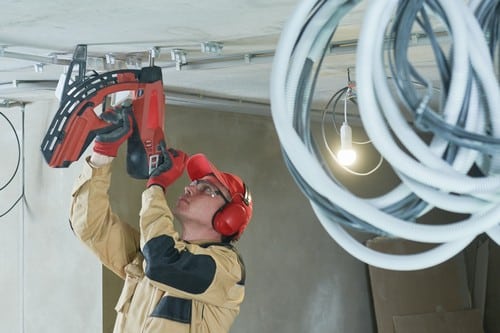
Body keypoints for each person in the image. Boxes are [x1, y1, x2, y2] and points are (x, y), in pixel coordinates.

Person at [69, 105, 253, 332]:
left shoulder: (226, 269)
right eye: (194, 183)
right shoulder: (151, 249)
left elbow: (162, 262)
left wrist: (156, 186)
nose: (190, 188)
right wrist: (102, 154)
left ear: (230, 218)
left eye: (207, 189)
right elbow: (91, 227)